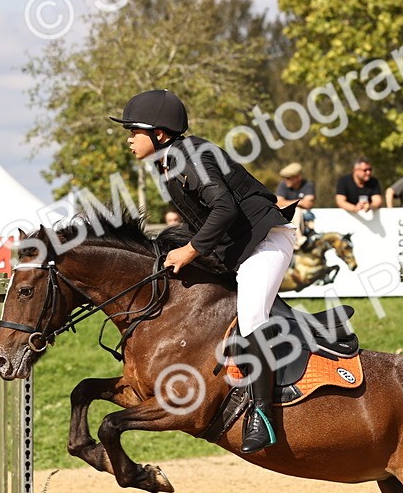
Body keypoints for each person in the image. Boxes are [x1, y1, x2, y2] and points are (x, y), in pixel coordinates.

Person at [114, 88, 297, 453]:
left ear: (159, 134)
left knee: (253, 321)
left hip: (264, 244)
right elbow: (200, 219)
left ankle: (263, 416)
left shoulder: (189, 155)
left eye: (134, 132)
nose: (129, 140)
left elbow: (224, 209)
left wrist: (191, 250)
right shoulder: (169, 164)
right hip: (239, 249)